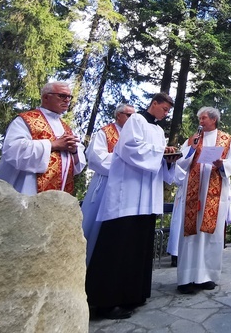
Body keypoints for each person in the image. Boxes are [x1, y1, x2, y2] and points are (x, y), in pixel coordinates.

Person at [85, 93, 176, 320]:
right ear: (154, 103)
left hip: (146, 198)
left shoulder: (158, 130)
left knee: (137, 247)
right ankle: (106, 302)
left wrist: (168, 158)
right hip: (128, 195)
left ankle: (133, 295)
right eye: (164, 109)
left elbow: (158, 161)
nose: (166, 115)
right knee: (118, 246)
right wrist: (160, 153)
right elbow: (129, 148)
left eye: (168, 112)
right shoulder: (136, 120)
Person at [174, 106, 231, 294]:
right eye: (199, 119)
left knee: (211, 234)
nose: (200, 122)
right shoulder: (193, 139)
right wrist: (191, 149)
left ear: (213, 119)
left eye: (203, 118)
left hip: (214, 191)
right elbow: (181, 162)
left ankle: (207, 276)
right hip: (193, 191)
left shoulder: (226, 139)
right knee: (191, 234)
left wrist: (222, 164)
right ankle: (186, 278)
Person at [0, 81, 86, 194]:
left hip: (57, 194)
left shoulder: (66, 128)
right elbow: (12, 149)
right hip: (25, 188)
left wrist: (74, 151)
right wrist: (53, 145)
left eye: (69, 96)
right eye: (62, 95)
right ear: (46, 97)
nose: (67, 100)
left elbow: (77, 167)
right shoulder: (26, 120)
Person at [81, 103, 135, 264]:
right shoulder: (104, 132)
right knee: (95, 226)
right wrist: (125, 161)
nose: (132, 119)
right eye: (129, 115)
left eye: (134, 116)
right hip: (105, 183)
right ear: (118, 115)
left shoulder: (134, 136)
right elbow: (96, 158)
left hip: (126, 186)